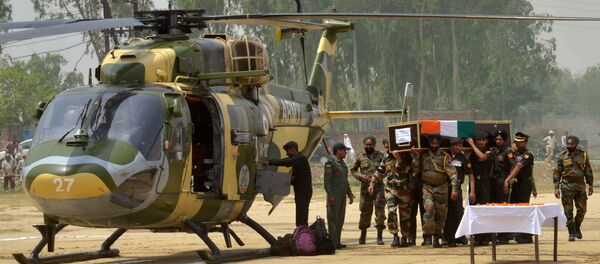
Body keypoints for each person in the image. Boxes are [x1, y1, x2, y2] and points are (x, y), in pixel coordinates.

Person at [411, 134, 457, 248]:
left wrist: (454, 189)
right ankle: (428, 233)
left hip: (442, 188)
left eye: (436, 143)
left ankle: (437, 237)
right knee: (429, 208)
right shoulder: (423, 155)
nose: (434, 145)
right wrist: (416, 157)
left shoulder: (445, 156)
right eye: (432, 143)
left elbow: (453, 174)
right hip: (427, 188)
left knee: (441, 215)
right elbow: (416, 171)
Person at [261, 141, 312, 227]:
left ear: (293, 149)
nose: (287, 154)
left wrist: (269, 162)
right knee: (300, 211)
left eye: (287, 151)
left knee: (302, 212)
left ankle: (302, 230)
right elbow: (286, 161)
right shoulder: (298, 159)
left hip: (304, 191)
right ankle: (300, 229)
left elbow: (286, 162)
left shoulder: (300, 159)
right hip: (300, 190)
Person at [553, 135, 594, 242]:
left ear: (576, 144)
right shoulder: (562, 156)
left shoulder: (583, 155)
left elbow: (588, 170)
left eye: (571, 144)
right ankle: (571, 232)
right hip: (566, 186)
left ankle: (577, 226)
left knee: (582, 210)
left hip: (580, 187)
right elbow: (557, 172)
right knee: (568, 212)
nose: (569, 146)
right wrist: (556, 187)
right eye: (568, 143)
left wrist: (590, 185)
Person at [351, 135, 386, 245]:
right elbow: (353, 170)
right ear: (364, 144)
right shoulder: (360, 156)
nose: (368, 146)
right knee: (365, 211)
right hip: (365, 188)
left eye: (370, 145)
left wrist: (376, 179)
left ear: (374, 145)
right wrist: (361, 177)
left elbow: (385, 171)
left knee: (380, 212)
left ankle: (379, 236)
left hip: (378, 187)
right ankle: (363, 235)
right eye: (367, 144)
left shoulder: (380, 156)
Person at [503, 132, 537, 244]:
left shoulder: (528, 155)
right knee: (514, 207)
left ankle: (526, 235)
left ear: (525, 142)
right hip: (516, 184)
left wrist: (507, 180)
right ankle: (516, 233)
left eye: (520, 142)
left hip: (524, 184)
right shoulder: (514, 153)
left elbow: (518, 166)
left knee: (524, 209)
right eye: (516, 141)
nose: (518, 144)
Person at [378, 139, 412, 247]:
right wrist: (372, 183)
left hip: (404, 191)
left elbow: (407, 170)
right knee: (391, 212)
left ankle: (405, 237)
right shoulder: (385, 158)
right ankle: (395, 236)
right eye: (386, 147)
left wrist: (398, 159)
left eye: (390, 147)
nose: (388, 150)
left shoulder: (406, 157)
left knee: (404, 215)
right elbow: (379, 171)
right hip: (390, 190)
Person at [443, 137, 475, 247]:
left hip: (456, 189)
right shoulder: (445, 156)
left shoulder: (464, 159)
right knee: (446, 214)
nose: (457, 147)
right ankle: (448, 238)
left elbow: (471, 177)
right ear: (451, 146)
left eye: (459, 145)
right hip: (444, 188)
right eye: (455, 145)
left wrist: (472, 192)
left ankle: (459, 237)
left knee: (457, 213)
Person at [324, 142, 355, 249]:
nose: (346, 152)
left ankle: (337, 241)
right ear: (338, 151)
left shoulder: (342, 164)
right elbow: (327, 182)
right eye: (344, 150)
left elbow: (345, 181)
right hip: (334, 197)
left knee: (340, 220)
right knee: (333, 220)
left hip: (342, 196)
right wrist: (331, 195)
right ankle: (333, 242)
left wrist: (350, 194)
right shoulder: (330, 164)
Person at [466, 131, 494, 246]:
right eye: (478, 140)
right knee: (474, 209)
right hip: (474, 183)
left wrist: (472, 145)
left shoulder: (490, 151)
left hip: (485, 183)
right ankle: (477, 236)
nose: (480, 142)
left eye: (483, 140)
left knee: (484, 209)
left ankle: (485, 237)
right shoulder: (471, 153)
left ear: (486, 141)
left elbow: (482, 157)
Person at [489, 130, 514, 244]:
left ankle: (504, 236)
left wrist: (507, 181)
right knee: (494, 207)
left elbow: (514, 167)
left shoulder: (508, 152)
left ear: (504, 140)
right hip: (493, 181)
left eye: (500, 139)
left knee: (503, 208)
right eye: (497, 139)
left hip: (502, 180)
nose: (498, 141)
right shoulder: (493, 151)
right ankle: (496, 234)